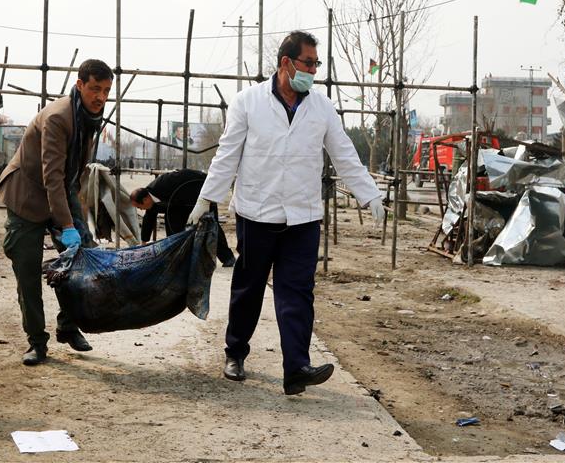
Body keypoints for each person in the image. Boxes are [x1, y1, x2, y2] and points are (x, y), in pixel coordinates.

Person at [186, 31, 385, 395]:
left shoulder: (322, 107)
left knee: (297, 292)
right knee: (248, 289)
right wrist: (205, 200)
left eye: (316, 64)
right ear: (286, 63)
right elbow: (227, 155)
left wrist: (369, 194)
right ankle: (235, 352)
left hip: (303, 217)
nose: (313, 70)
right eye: (308, 63)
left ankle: (296, 367)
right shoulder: (248, 102)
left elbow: (344, 153)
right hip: (257, 214)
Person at [0, 59, 113, 366]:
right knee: (28, 269)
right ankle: (37, 342)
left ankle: (68, 325)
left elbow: (75, 174)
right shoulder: (59, 117)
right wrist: (66, 224)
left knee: (80, 261)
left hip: (62, 191)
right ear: (80, 85)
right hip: (28, 195)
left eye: (106, 90)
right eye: (95, 89)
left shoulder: (88, 116)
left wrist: (79, 220)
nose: (100, 96)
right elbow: (52, 176)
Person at [129, 169, 236, 267]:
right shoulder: (150, 199)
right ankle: (177, 257)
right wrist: (144, 242)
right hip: (179, 205)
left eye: (139, 207)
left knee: (211, 225)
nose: (141, 210)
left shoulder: (164, 183)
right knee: (172, 225)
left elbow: (190, 176)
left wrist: (207, 195)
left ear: (145, 199)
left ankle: (228, 258)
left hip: (200, 193)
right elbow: (149, 218)